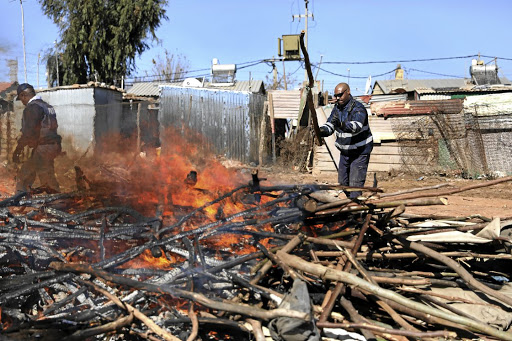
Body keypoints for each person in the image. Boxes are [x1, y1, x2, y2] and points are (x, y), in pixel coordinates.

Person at [319, 82, 373, 199]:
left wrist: (342, 124)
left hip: (360, 151)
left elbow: (356, 126)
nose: (338, 98)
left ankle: (356, 210)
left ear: (348, 92)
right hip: (345, 151)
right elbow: (330, 125)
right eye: (336, 96)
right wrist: (322, 130)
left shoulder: (358, 108)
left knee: (355, 186)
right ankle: (350, 204)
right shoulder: (337, 109)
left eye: (340, 95)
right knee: (343, 184)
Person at [13, 83, 62, 193]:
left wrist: (18, 149)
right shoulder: (46, 106)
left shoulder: (32, 107)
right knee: (32, 171)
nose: (22, 102)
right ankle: (24, 197)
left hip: (44, 147)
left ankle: (57, 202)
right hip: (52, 145)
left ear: (23, 95)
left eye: (21, 99)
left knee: (38, 175)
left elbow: (29, 132)